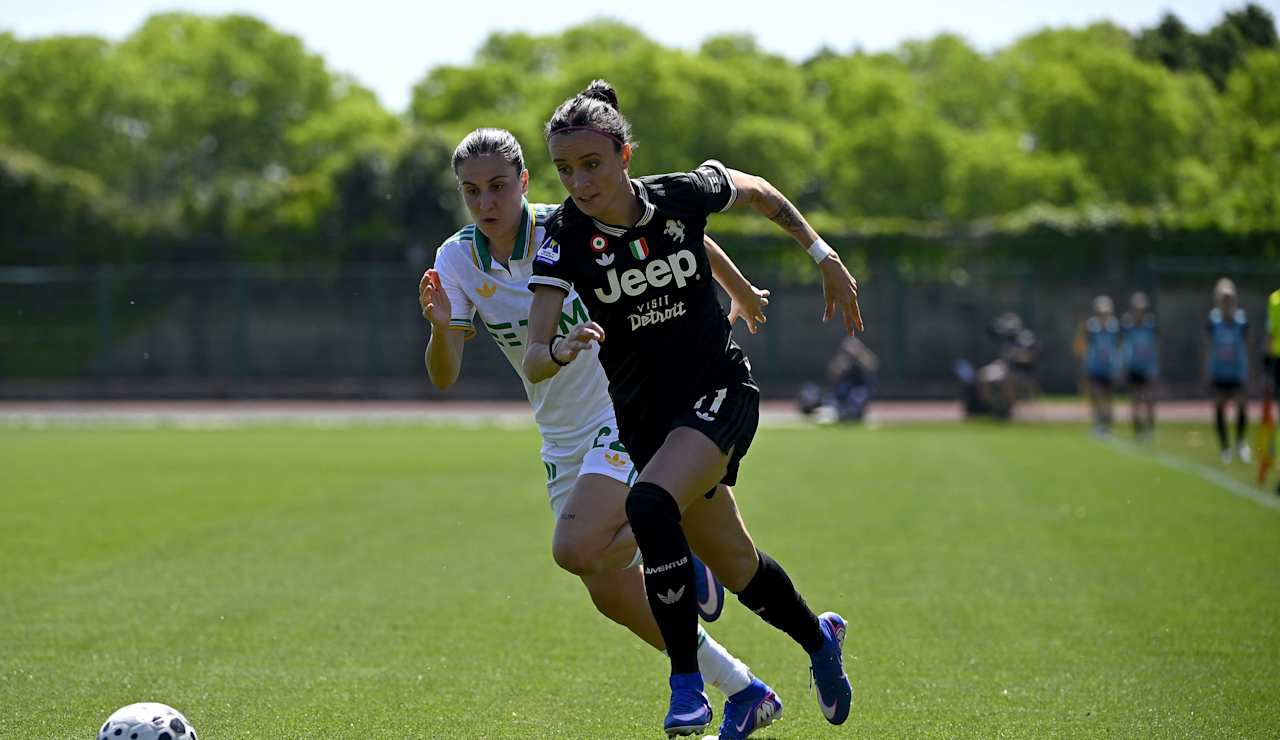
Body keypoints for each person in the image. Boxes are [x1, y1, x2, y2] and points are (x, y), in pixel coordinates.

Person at [522, 81, 858, 737]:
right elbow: (534, 355)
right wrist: (558, 349)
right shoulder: (564, 235)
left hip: (722, 391)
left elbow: (758, 190)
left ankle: (687, 689)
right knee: (736, 565)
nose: (579, 183)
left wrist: (824, 255)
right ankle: (819, 638)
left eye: (591, 164)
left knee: (649, 505)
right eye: (565, 170)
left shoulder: (680, 194)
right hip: (648, 422)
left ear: (624, 155)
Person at [420, 128, 780, 739]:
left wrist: (738, 290)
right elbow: (444, 376)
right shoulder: (456, 259)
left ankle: (672, 538)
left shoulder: (567, 227)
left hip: (628, 411)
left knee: (576, 547)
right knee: (608, 591)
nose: (486, 202)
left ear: (524, 182)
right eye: (471, 191)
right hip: (561, 436)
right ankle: (744, 689)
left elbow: (678, 233)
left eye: (499, 186)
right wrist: (438, 327)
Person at [1206, 278, 1250, 464]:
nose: (1227, 302)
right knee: (1219, 406)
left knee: (1241, 405)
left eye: (1230, 298)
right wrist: (1206, 370)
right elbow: (1207, 347)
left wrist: (1249, 372)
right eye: (1224, 298)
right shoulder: (1213, 321)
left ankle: (1240, 443)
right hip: (1219, 372)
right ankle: (1225, 448)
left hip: (1237, 372)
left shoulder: (1241, 321)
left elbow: (1247, 346)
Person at [1121, 292, 1158, 440]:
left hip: (1147, 368)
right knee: (1135, 400)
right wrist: (1124, 366)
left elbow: (1155, 347)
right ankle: (1138, 430)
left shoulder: (1150, 326)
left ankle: (1150, 428)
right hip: (1133, 368)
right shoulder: (1128, 326)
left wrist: (1155, 367)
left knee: (1149, 399)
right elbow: (1124, 347)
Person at [1083, 296, 1120, 437]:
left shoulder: (1114, 326)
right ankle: (1098, 425)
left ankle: (1108, 426)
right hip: (1095, 366)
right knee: (1096, 396)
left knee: (1108, 398)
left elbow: (1118, 346)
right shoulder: (1091, 326)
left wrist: (1118, 364)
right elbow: (1087, 345)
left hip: (1109, 367)